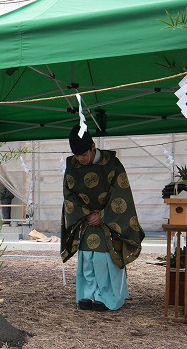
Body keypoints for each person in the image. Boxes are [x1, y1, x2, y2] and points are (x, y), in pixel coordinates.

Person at [61, 124, 144, 311]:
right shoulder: (72, 165)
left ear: (92, 146)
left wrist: (103, 216)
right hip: (86, 219)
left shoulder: (113, 164)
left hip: (109, 221)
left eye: (83, 154)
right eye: (76, 155)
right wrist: (87, 214)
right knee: (87, 259)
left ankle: (108, 297)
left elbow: (122, 194)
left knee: (103, 259)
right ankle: (86, 295)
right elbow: (69, 194)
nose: (80, 159)